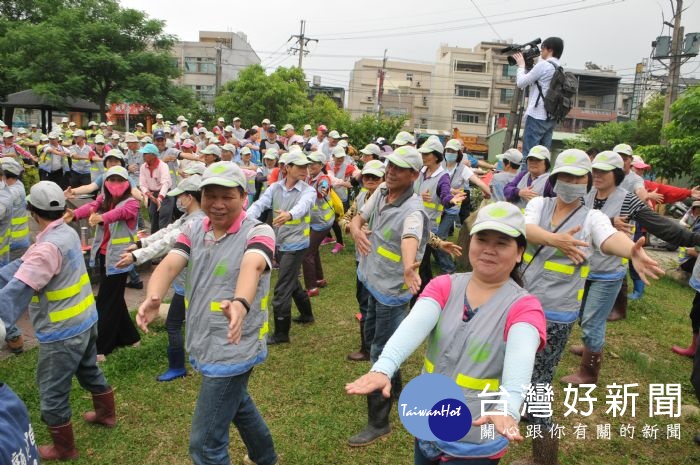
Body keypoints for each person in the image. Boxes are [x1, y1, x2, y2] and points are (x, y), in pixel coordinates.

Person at [347, 202, 546, 464]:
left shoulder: (524, 307)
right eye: (482, 239)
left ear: (520, 252)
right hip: (428, 418)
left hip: (475, 434)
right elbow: (412, 327)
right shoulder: (444, 286)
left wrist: (508, 407)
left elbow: (520, 361)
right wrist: (383, 367)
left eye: (502, 243)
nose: (488, 249)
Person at [519, 149, 663, 464]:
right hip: (523, 306)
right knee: (522, 370)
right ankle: (526, 409)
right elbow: (527, 230)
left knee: (540, 382)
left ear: (586, 182)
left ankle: (544, 456)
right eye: (565, 176)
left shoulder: (592, 218)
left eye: (578, 177)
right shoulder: (538, 205)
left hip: (556, 314)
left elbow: (610, 238)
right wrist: (557, 240)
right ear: (554, 179)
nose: (571, 182)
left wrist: (632, 253)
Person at [137, 161, 278, 465]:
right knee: (238, 404)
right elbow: (172, 262)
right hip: (205, 339)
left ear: (244, 197)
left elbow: (252, 265)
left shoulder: (259, 231)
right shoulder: (194, 227)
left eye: (227, 196)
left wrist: (240, 302)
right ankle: (265, 458)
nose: (217, 204)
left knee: (205, 445)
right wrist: (154, 295)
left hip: (234, 347)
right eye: (210, 195)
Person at [0, 181, 115, 461]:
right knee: (88, 370)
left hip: (62, 333)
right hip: (86, 320)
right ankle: (106, 414)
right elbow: (26, 263)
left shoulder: (46, 248)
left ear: (31, 212)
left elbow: (16, 294)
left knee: (52, 392)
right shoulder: (67, 233)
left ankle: (64, 448)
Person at [561, 151, 700, 383]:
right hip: (584, 268)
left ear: (616, 173)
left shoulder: (628, 199)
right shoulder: (586, 193)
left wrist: (694, 239)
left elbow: (662, 227)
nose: (597, 175)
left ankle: (588, 372)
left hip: (608, 272)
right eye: (594, 170)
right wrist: (611, 220)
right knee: (584, 316)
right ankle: (588, 346)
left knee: (593, 320)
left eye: (603, 171)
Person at [347, 145, 429, 446]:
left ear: (413, 175)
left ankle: (378, 422)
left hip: (392, 291)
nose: (391, 171)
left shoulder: (413, 210)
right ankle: (394, 389)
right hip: (371, 278)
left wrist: (409, 266)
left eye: (399, 168)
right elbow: (359, 218)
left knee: (381, 349)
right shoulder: (382, 190)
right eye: (389, 165)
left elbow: (411, 236)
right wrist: (356, 231)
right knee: (374, 340)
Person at [117, 175, 206, 381]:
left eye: (180, 197)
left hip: (194, 286)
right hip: (186, 285)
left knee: (178, 324)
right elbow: (166, 232)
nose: (178, 201)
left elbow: (168, 242)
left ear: (190, 198)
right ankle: (183, 364)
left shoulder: (197, 221)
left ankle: (183, 365)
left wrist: (136, 256)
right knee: (181, 323)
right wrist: (140, 245)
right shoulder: (187, 218)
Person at [66, 166, 141, 360]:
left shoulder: (132, 203)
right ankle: (131, 337)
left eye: (120, 180)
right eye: (111, 180)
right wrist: (74, 215)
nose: (115, 184)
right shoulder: (102, 199)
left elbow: (120, 213)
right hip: (103, 255)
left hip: (120, 259)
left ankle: (102, 347)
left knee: (106, 301)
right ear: (105, 182)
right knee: (114, 298)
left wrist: (101, 217)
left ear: (127, 183)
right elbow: (89, 208)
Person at [247, 152, 316, 341]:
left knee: (282, 288)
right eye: (300, 167)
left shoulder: (308, 191)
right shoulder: (274, 188)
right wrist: (245, 219)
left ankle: (281, 333)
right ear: (287, 168)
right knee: (291, 280)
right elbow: (260, 204)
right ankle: (307, 314)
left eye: (306, 167)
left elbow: (303, 206)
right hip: (280, 242)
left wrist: (290, 215)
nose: (305, 170)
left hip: (297, 244)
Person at [414, 137, 465, 292]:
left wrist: (450, 200)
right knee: (421, 262)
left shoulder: (443, 177)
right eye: (422, 153)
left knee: (422, 262)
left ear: (436, 156)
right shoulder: (420, 171)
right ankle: (428, 289)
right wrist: (418, 196)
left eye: (426, 153)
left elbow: (445, 194)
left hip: (429, 226)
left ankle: (425, 292)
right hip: (414, 220)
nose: (422, 156)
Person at [436, 138, 490, 274]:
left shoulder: (462, 169)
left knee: (439, 238)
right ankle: (445, 264)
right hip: (436, 208)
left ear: (459, 153)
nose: (450, 153)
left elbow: (477, 181)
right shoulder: (439, 165)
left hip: (451, 209)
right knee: (433, 238)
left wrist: (487, 192)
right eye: (448, 150)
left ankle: (450, 269)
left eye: (453, 151)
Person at [513, 37, 564, 159]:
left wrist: (521, 65)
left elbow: (521, 83)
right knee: (542, 157)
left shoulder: (543, 65)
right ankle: (542, 178)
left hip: (536, 116)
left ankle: (526, 177)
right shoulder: (559, 68)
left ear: (550, 49)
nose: (540, 52)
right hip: (550, 117)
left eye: (542, 49)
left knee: (529, 157)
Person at [302, 152, 335, 297]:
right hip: (316, 221)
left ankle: (311, 288)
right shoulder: (310, 178)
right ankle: (320, 280)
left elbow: (323, 191)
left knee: (307, 252)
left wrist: (319, 190)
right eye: (309, 163)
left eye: (314, 163)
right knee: (313, 251)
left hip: (322, 222)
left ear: (321, 165)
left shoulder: (323, 179)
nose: (310, 166)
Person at [503, 146, 554, 210]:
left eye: (538, 159)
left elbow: (555, 203)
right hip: (516, 217)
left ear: (546, 163)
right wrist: (519, 192)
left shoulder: (550, 181)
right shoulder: (523, 175)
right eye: (530, 159)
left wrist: (538, 201)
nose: (533, 162)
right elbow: (506, 189)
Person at [139, 143, 173, 234]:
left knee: (164, 221)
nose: (143, 156)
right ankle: (153, 242)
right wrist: (149, 195)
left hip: (165, 195)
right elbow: (142, 184)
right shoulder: (143, 167)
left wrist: (160, 198)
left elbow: (165, 183)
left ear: (153, 155)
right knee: (153, 218)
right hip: (153, 195)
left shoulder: (163, 166)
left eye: (145, 154)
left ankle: (164, 243)